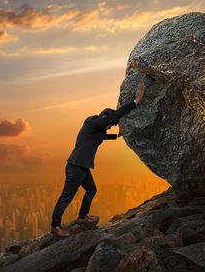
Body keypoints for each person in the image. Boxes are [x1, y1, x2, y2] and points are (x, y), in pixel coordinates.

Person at [50, 83, 145, 237]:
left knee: (91, 189)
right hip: (76, 167)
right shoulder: (93, 122)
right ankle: (55, 226)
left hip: (81, 167)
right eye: (109, 125)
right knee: (66, 197)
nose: (109, 128)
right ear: (105, 119)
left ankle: (82, 217)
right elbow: (114, 116)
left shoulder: (95, 131)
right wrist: (136, 101)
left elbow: (103, 137)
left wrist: (116, 135)